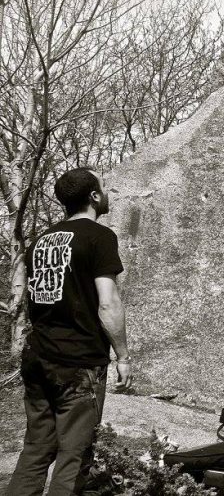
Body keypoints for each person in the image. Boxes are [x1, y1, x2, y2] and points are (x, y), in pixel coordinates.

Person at [7, 167, 132, 496]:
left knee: (36, 450)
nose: (107, 192)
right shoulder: (100, 238)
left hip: (38, 358)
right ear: (94, 196)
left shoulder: (41, 241)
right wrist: (123, 356)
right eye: (104, 188)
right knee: (74, 457)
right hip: (77, 364)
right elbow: (108, 304)